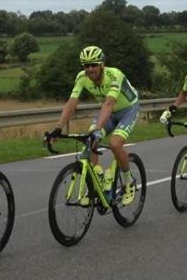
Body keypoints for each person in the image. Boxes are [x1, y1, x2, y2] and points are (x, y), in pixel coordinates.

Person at [50, 45, 140, 206]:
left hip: (127, 110)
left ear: (102, 65)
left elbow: (109, 103)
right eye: (86, 66)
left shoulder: (114, 75)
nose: (90, 69)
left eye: (93, 65)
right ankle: (97, 183)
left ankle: (128, 182)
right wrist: (58, 128)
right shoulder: (81, 77)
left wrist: (98, 130)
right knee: (89, 141)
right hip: (108, 112)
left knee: (115, 143)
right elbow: (72, 103)